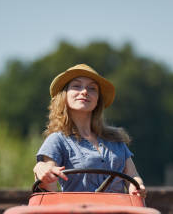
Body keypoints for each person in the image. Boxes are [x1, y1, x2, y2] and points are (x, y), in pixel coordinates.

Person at [33, 64, 147, 198]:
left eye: (92, 88)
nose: (85, 91)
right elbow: (48, 184)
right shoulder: (57, 140)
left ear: (98, 100)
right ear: (64, 95)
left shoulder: (115, 139)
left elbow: (133, 176)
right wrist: (42, 169)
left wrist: (137, 186)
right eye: (76, 86)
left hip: (118, 213)